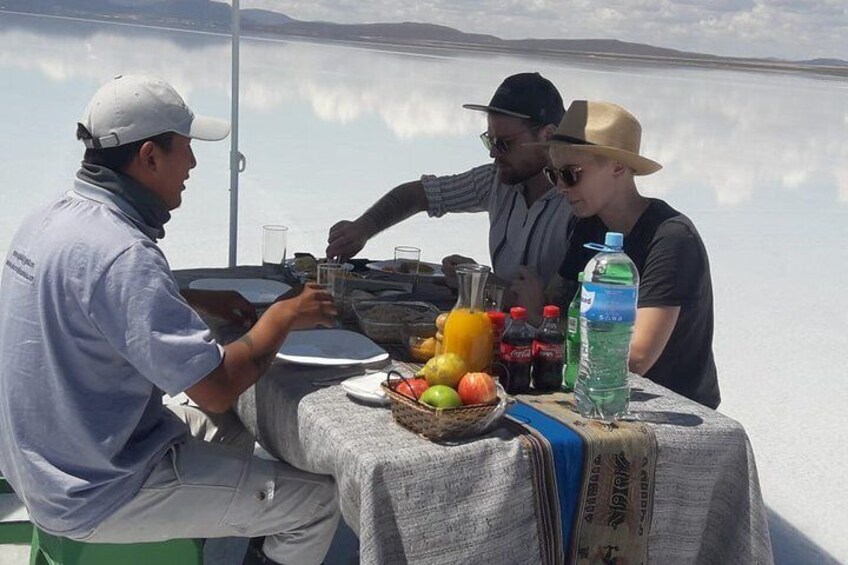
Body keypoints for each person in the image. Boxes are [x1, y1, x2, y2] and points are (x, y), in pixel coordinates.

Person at [0, 74, 340, 565]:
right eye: (185, 148)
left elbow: (93, 296)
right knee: (317, 503)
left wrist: (191, 296)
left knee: (237, 426)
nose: (194, 163)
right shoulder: (124, 253)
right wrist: (283, 316)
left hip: (45, 465)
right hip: (97, 489)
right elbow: (218, 386)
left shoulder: (51, 218)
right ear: (149, 157)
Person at [515, 100, 720, 408]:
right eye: (552, 174)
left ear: (618, 167)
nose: (560, 187)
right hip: (596, 394)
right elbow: (557, 304)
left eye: (570, 174)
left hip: (670, 409)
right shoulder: (586, 225)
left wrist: (535, 317)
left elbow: (636, 358)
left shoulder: (672, 239)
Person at [325, 72, 571, 288]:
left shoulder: (578, 202)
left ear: (546, 136)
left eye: (504, 144)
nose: (493, 153)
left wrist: (480, 281)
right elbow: (420, 194)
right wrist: (362, 229)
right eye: (490, 140)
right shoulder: (495, 180)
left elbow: (566, 310)